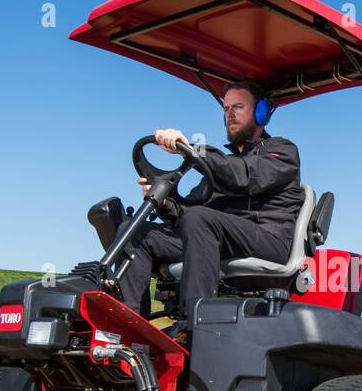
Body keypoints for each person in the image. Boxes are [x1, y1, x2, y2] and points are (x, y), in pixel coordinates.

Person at [119, 81, 303, 328]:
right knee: (133, 232)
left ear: (261, 112)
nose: (230, 114)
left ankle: (193, 328)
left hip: (268, 239)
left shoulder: (282, 151)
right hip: (215, 238)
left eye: (238, 106)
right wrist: (164, 202)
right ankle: (132, 332)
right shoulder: (221, 166)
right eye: (226, 108)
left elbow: (245, 176)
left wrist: (193, 151)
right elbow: (186, 213)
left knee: (199, 217)